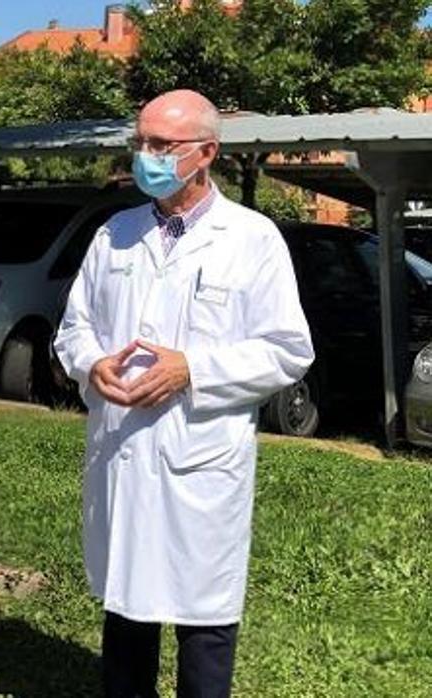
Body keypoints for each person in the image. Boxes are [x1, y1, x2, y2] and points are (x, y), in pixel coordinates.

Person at [53, 89, 315, 697]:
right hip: (122, 447)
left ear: (206, 153)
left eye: (161, 145)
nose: (146, 155)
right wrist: (92, 365)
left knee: (204, 620)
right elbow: (76, 327)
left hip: (199, 458)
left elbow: (287, 348)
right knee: (126, 607)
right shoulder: (114, 234)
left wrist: (192, 369)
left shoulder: (252, 239)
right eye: (140, 142)